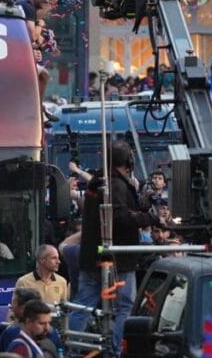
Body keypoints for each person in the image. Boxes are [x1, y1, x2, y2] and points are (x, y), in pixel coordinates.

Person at [71, 140, 162, 355]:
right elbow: (121, 216)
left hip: (95, 256)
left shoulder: (101, 182)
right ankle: (114, 350)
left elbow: (123, 209)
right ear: (127, 160)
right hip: (118, 259)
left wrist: (143, 203)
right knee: (124, 307)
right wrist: (148, 217)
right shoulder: (116, 184)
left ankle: (72, 350)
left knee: (83, 306)